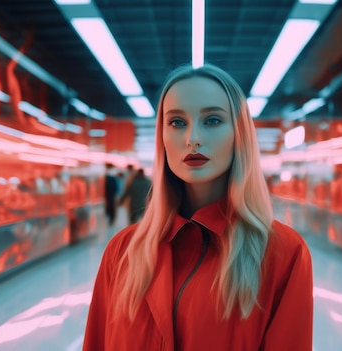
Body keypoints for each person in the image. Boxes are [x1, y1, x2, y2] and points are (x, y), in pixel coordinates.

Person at [83, 64, 313, 351]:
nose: (192, 138)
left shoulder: (282, 253)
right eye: (177, 122)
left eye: (213, 120)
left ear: (238, 134)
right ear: (162, 138)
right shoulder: (122, 252)